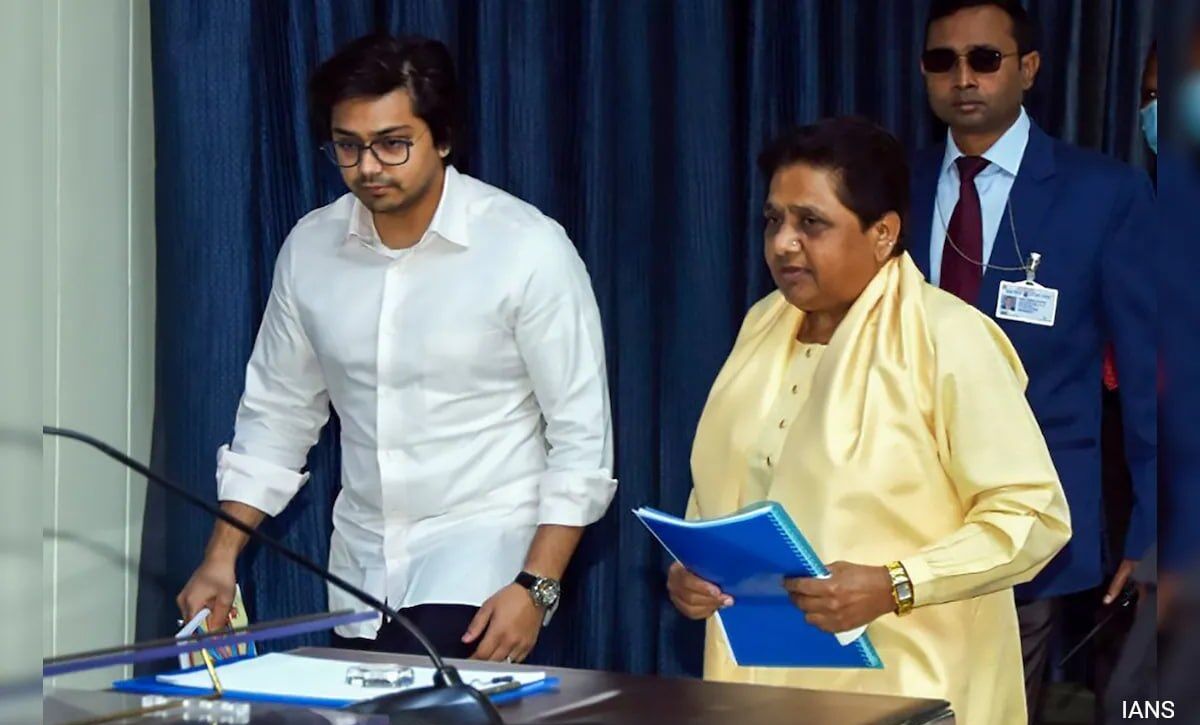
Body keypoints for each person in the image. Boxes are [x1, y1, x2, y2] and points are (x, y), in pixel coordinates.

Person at [176, 34, 617, 663]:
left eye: (392, 144)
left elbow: (581, 436)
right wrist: (220, 559)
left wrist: (536, 586)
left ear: (443, 138)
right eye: (348, 146)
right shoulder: (310, 250)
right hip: (360, 566)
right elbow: (277, 414)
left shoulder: (527, 248)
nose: (369, 167)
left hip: (487, 559)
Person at [667, 117, 1071, 725]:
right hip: (760, 678)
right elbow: (729, 481)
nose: (783, 243)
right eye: (774, 220)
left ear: (883, 233)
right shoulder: (763, 325)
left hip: (911, 680)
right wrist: (692, 572)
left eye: (811, 223)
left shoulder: (946, 337)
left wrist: (897, 583)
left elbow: (1033, 515)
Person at [908, 1, 1157, 718]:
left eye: (985, 59)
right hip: (905, 517)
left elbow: (1151, 377)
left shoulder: (1102, 192)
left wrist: (1156, 527)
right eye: (943, 61)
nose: (963, 78)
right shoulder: (895, 184)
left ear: (1029, 69)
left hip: (1028, 522)